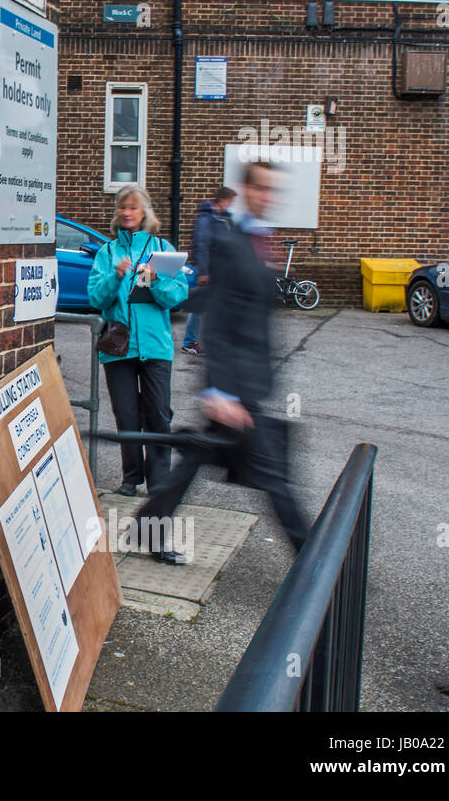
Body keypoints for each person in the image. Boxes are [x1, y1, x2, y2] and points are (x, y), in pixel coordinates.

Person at [133, 160, 310, 564]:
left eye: (274, 189)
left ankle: (147, 526)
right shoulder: (231, 245)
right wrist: (218, 390)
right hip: (234, 390)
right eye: (261, 188)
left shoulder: (259, 241)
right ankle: (317, 562)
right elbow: (221, 319)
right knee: (275, 480)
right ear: (246, 191)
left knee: (198, 458)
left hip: (246, 385)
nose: (268, 196)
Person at [87, 185, 190, 498]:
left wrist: (155, 281)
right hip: (118, 347)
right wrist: (116, 276)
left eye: (133, 207)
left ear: (145, 211)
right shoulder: (107, 253)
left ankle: (159, 482)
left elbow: (176, 296)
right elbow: (96, 298)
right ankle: (131, 478)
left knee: (158, 415)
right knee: (127, 415)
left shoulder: (161, 249)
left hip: (156, 346)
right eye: (122, 207)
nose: (127, 212)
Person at [181, 186, 236, 356]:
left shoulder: (224, 218)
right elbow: (201, 245)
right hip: (209, 271)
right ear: (223, 200)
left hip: (222, 271)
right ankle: (189, 342)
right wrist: (203, 271)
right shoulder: (206, 218)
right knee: (199, 308)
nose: (231, 205)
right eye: (230, 201)